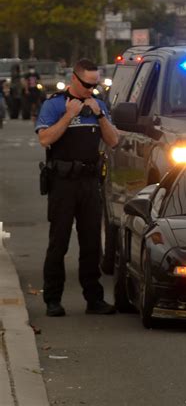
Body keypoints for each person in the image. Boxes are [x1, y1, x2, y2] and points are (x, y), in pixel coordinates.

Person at [35, 58, 119, 317]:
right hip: (63, 182)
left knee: (92, 242)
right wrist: (69, 115)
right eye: (86, 84)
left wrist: (99, 114)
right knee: (59, 242)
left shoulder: (98, 105)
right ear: (74, 79)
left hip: (89, 181)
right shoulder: (54, 104)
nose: (91, 90)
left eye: (95, 85)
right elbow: (45, 138)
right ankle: (52, 299)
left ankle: (93, 298)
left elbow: (113, 140)